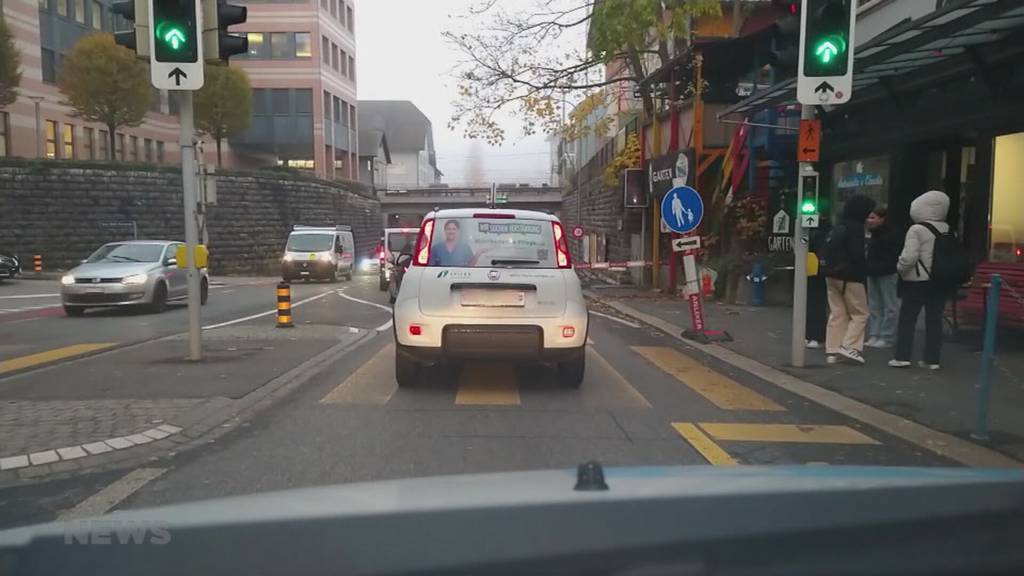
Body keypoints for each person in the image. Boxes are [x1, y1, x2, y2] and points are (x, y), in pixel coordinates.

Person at [889, 190, 951, 370]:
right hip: (939, 280)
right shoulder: (946, 228)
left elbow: (909, 257)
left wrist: (900, 269)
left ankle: (902, 356)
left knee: (907, 319)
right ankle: (932, 359)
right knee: (934, 319)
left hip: (917, 281)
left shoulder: (916, 229)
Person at [822, 194, 876, 365]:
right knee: (860, 313)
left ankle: (832, 349)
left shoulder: (839, 225)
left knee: (837, 313)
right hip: (851, 276)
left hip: (831, 274)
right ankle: (849, 346)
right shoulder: (857, 228)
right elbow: (857, 254)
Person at [865, 206, 902, 348]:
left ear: (882, 219)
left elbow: (892, 254)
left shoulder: (891, 235)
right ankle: (875, 334)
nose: (870, 221)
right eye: (869, 217)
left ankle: (887, 336)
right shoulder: (873, 234)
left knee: (889, 305)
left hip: (887, 272)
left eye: (873, 218)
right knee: (875, 305)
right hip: (873, 271)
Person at [805, 221, 831, 349]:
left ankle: (813, 335)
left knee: (813, 303)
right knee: (817, 303)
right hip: (819, 271)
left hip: (813, 270)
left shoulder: (814, 234)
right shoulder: (827, 234)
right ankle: (815, 335)